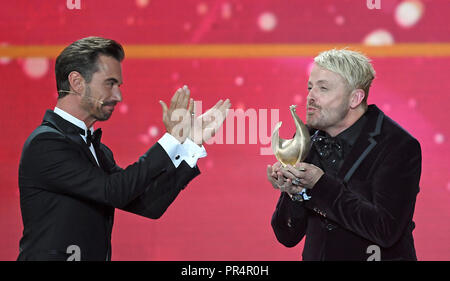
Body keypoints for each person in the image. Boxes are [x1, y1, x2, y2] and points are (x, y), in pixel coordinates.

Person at [17, 36, 231, 261]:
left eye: (118, 86)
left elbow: (148, 204)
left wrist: (191, 144)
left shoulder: (98, 151)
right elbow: (114, 190)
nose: (118, 96)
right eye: (109, 84)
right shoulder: (46, 144)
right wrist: (171, 139)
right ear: (77, 82)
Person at [267, 49, 421, 261]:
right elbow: (286, 235)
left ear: (355, 98)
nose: (310, 97)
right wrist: (294, 193)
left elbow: (385, 230)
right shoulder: (306, 139)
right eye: (310, 87)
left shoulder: (398, 146)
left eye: (323, 88)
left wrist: (319, 185)